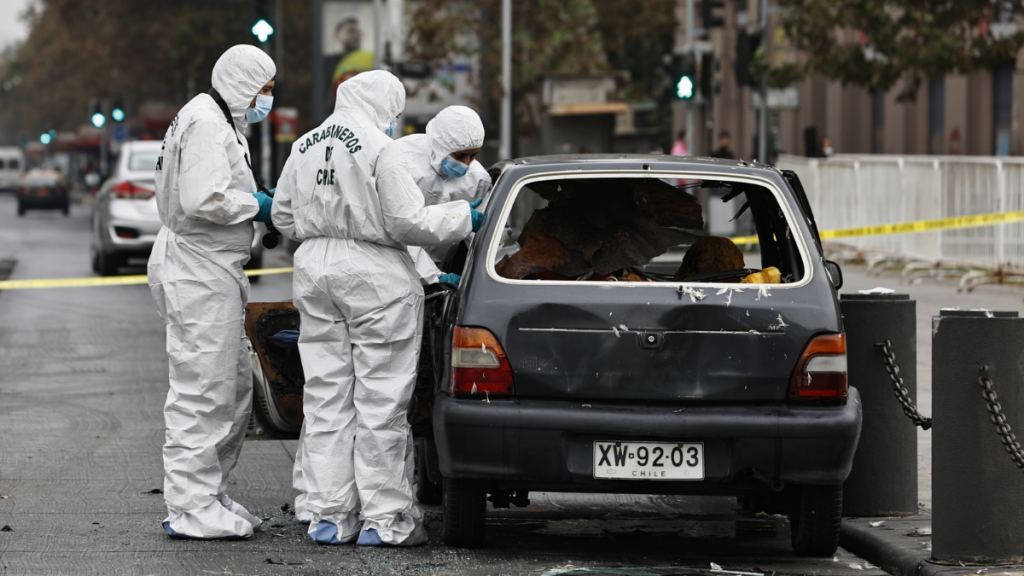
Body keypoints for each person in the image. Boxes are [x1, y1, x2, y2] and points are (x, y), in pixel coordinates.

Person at [272, 70, 484, 547]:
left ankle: (328, 516)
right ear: (384, 106)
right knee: (381, 402)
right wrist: (460, 217)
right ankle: (384, 521)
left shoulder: (305, 144)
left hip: (314, 270)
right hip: (374, 276)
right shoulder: (380, 149)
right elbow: (407, 220)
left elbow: (283, 215)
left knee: (326, 399)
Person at [147, 45, 276, 540]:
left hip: (210, 267)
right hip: (198, 267)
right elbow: (205, 199)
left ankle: (210, 495)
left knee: (232, 389)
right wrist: (256, 205)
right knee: (203, 391)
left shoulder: (215, 119)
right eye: (264, 87)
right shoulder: (206, 121)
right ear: (244, 83)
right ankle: (191, 507)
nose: (268, 97)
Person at [397, 105, 491, 285]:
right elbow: (398, 228)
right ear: (441, 145)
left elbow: (484, 241)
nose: (466, 164)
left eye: (473, 156)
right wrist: (432, 276)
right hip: (396, 264)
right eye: (461, 155)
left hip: (440, 268)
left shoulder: (478, 180)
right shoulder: (401, 160)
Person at [332, 17, 374, 90]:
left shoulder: (369, 62)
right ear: (337, 36)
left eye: (358, 32)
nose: (355, 36)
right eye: (350, 31)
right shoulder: (326, 64)